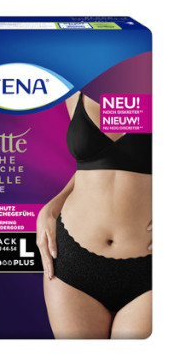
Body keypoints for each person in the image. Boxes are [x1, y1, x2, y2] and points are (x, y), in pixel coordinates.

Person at [37, 92, 152, 339]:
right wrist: (51, 207)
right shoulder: (76, 89)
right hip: (72, 262)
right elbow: (92, 166)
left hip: (148, 266)